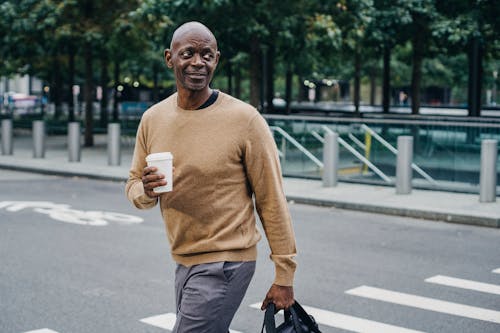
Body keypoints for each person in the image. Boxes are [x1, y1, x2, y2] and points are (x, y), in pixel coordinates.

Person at [125, 21, 297, 332]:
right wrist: (147, 191)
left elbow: (272, 199)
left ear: (216, 59)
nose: (197, 63)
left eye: (206, 55)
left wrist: (284, 274)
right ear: (169, 58)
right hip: (184, 258)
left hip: (227, 261)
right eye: (187, 53)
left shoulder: (244, 120)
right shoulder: (153, 119)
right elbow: (134, 185)